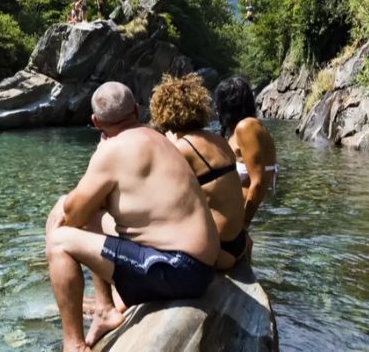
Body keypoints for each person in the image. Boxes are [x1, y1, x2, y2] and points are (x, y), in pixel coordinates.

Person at [45, 82, 218, 350]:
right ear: (136, 110)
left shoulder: (111, 152)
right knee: (93, 216)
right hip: (200, 265)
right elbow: (86, 212)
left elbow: (72, 215)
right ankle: (105, 310)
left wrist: (62, 205)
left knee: (58, 240)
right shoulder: (158, 138)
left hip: (177, 268)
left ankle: (74, 345)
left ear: (95, 121)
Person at [150, 74, 249, 270]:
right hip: (238, 242)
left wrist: (170, 147)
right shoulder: (217, 139)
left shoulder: (183, 148)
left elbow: (156, 199)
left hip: (218, 251)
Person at [214, 77, 278, 226]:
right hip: (235, 219)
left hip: (241, 221)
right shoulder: (239, 129)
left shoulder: (246, 127)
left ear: (228, 104)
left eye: (219, 103)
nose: (216, 108)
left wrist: (244, 223)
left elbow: (258, 181)